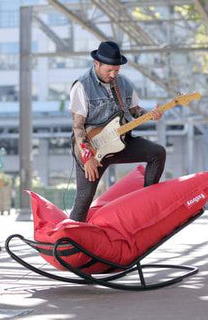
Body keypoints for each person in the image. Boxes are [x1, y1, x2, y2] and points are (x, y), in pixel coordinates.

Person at [69, 40, 166, 222]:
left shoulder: (124, 84)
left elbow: (136, 111)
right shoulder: (81, 86)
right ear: (96, 64)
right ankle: (67, 244)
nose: (113, 74)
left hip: (120, 141)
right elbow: (78, 126)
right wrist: (88, 156)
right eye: (109, 70)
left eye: (117, 70)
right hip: (92, 150)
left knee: (157, 153)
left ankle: (147, 205)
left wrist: (151, 114)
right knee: (82, 203)